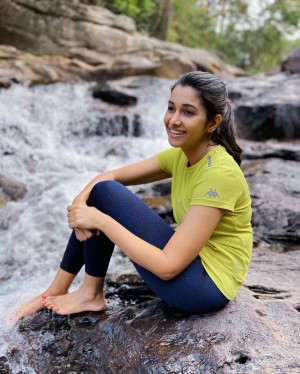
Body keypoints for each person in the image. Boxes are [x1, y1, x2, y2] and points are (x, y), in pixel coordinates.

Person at [9, 71, 252, 322]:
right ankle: (62, 290)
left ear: (213, 123)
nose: (174, 120)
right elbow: (110, 177)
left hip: (203, 288)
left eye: (188, 112)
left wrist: (99, 220)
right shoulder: (183, 155)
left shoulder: (219, 174)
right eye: (171, 108)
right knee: (102, 193)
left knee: (103, 198)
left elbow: (168, 268)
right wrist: (79, 206)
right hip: (193, 269)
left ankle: (89, 293)